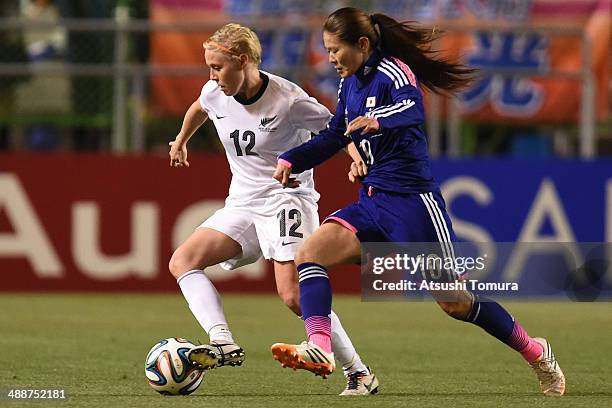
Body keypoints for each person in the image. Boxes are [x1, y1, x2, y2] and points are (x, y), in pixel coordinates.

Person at [270, 7, 565, 397]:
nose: (330, 58)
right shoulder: (349, 85)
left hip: (414, 207)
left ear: (361, 44)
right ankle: (321, 348)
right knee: (310, 254)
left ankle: (536, 352)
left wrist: (379, 121)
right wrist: (294, 158)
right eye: (326, 50)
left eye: (334, 49)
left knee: (456, 304)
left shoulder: (394, 71)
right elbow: (336, 134)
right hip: (373, 202)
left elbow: (413, 109)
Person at [168, 23, 379, 396]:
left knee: (294, 296)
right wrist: (182, 139)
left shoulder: (289, 100)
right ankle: (222, 342)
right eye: (209, 69)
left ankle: (358, 371)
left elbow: (338, 128)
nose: (212, 77)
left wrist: (357, 158)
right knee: (183, 260)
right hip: (243, 201)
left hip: (287, 200)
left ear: (243, 60)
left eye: (217, 67)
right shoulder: (215, 91)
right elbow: (200, 107)